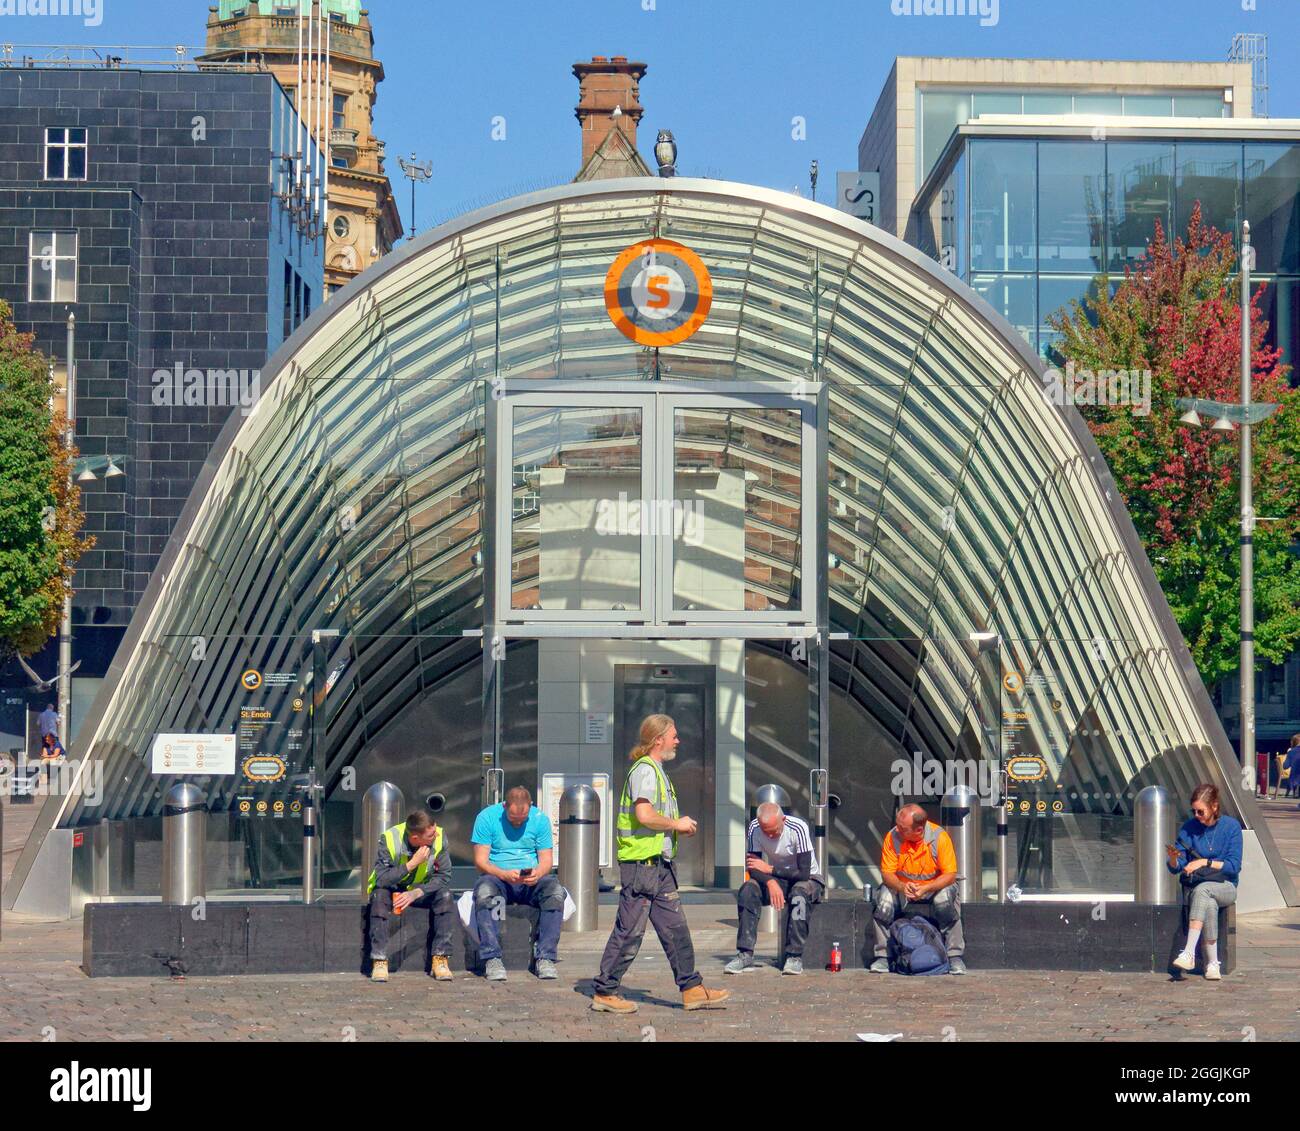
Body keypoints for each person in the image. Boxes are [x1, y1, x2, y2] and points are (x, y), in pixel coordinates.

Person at [591, 713, 731, 1013]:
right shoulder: (645, 771)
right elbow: (644, 816)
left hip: (659, 865)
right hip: (642, 865)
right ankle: (605, 991)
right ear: (658, 740)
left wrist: (675, 829)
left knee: (676, 928)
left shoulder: (657, 770)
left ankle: (692, 988)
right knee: (630, 931)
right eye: (673, 735)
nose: (678, 740)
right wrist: (676, 824)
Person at [471, 786, 564, 981]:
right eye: (513, 819)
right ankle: (492, 956)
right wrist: (503, 874)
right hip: (499, 878)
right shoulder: (487, 817)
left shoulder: (540, 819)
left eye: (522, 819)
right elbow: (481, 861)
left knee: (554, 891)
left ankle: (546, 957)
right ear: (504, 806)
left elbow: (546, 860)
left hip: (529, 880)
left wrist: (537, 873)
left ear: (530, 807)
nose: (518, 823)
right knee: (486, 892)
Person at [724, 801, 823, 975]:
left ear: (783, 820)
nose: (770, 836)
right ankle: (745, 953)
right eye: (766, 832)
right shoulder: (755, 827)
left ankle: (794, 956)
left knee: (799, 894)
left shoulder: (798, 828)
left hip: (809, 879)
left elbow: (804, 873)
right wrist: (770, 881)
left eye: (774, 831)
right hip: (777, 879)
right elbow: (753, 868)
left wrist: (770, 870)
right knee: (748, 890)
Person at [869, 803, 966, 975]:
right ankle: (883, 956)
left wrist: (927, 887)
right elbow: (887, 874)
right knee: (883, 900)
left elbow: (950, 875)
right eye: (898, 826)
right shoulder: (893, 836)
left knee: (945, 900)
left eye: (903, 828)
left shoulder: (939, 837)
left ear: (919, 830)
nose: (897, 830)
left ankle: (954, 955)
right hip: (903, 887)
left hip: (934, 887)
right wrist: (902, 886)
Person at [366, 808, 454, 983]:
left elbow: (444, 876)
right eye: (430, 836)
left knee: (445, 896)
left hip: (419, 889)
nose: (435, 836)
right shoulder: (390, 839)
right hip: (391, 888)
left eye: (435, 831)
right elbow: (382, 878)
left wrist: (417, 892)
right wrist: (412, 864)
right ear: (415, 838)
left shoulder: (439, 837)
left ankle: (440, 958)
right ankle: (379, 960)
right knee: (379, 897)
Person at [1168, 783, 1241, 981]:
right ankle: (1212, 964)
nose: (1197, 815)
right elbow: (1177, 866)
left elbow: (1233, 866)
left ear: (1214, 807)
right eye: (1194, 811)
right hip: (1201, 888)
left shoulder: (1231, 827)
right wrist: (1174, 859)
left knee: (1203, 891)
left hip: (1226, 885)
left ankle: (1189, 952)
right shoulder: (1189, 828)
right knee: (1206, 899)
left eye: (1201, 811)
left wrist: (1204, 862)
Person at [1282, 734, 1300, 801]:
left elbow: (1285, 766)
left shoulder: (1291, 752)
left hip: (1294, 779)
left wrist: (1288, 754)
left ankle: (1296, 787)